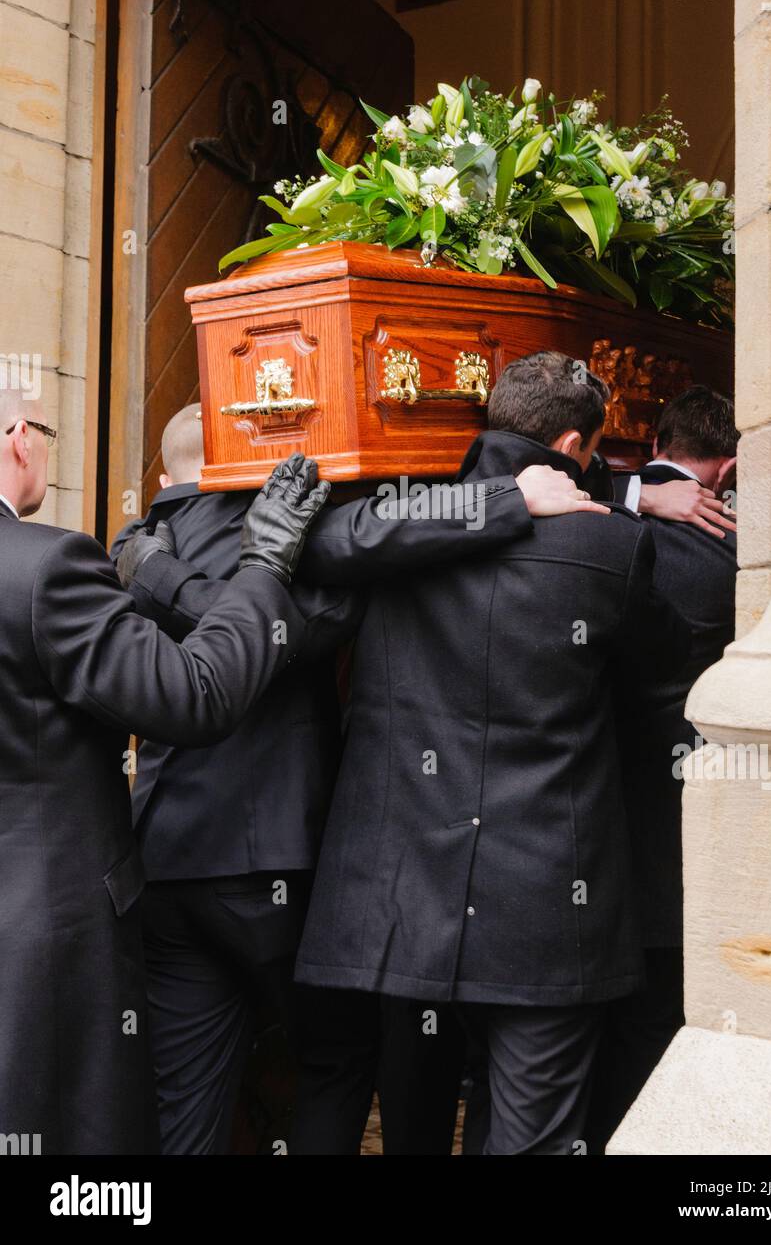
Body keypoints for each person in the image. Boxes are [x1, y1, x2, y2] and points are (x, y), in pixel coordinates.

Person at [112, 403, 605, 1154]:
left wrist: (162, 578)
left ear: (162, 471)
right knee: (334, 1064)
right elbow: (278, 634)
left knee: (185, 1093)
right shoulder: (304, 540)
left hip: (169, 858)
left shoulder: (133, 544)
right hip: (283, 865)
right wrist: (508, 499)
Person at [291, 351, 691, 1155]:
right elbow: (656, 704)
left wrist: (495, 500)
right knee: (532, 1135)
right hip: (547, 896)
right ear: (577, 445)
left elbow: (320, 538)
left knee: (410, 1125)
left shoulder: (399, 525)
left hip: (402, 898)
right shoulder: (614, 551)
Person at [0, 385, 330, 1155]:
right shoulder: (43, 567)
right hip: (45, 933)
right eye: (43, 428)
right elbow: (194, 693)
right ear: (18, 438)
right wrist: (264, 563)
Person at [586, 385, 739, 1152]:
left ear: (653, 438)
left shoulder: (591, 527)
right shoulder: (736, 556)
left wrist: (628, 495)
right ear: (731, 467)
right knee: (652, 1021)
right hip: (674, 821)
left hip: (574, 811)